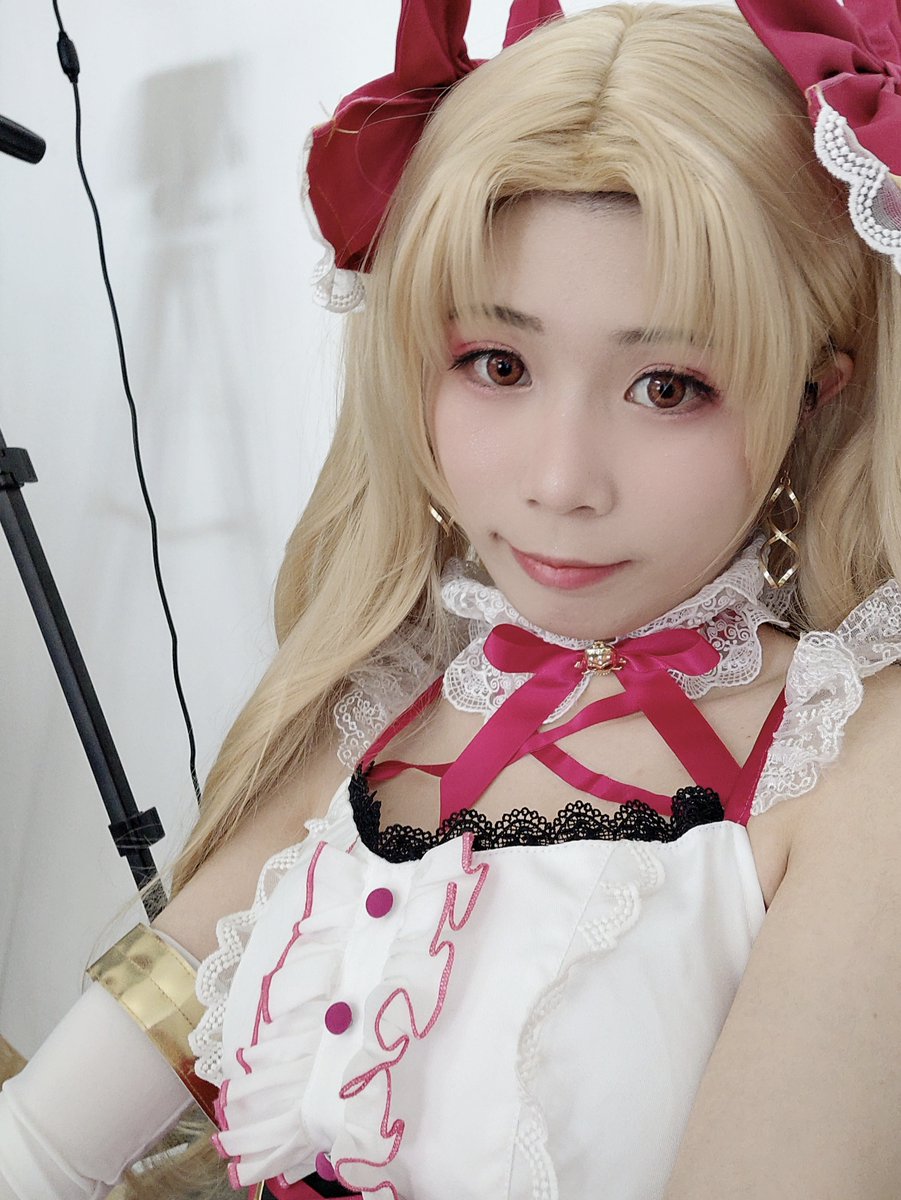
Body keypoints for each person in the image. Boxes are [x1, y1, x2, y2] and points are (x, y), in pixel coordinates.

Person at [2, 0, 901, 1196]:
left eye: (670, 385)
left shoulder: (850, 764)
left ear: (815, 388)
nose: (560, 484)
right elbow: (40, 1146)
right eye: (497, 364)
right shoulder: (370, 714)